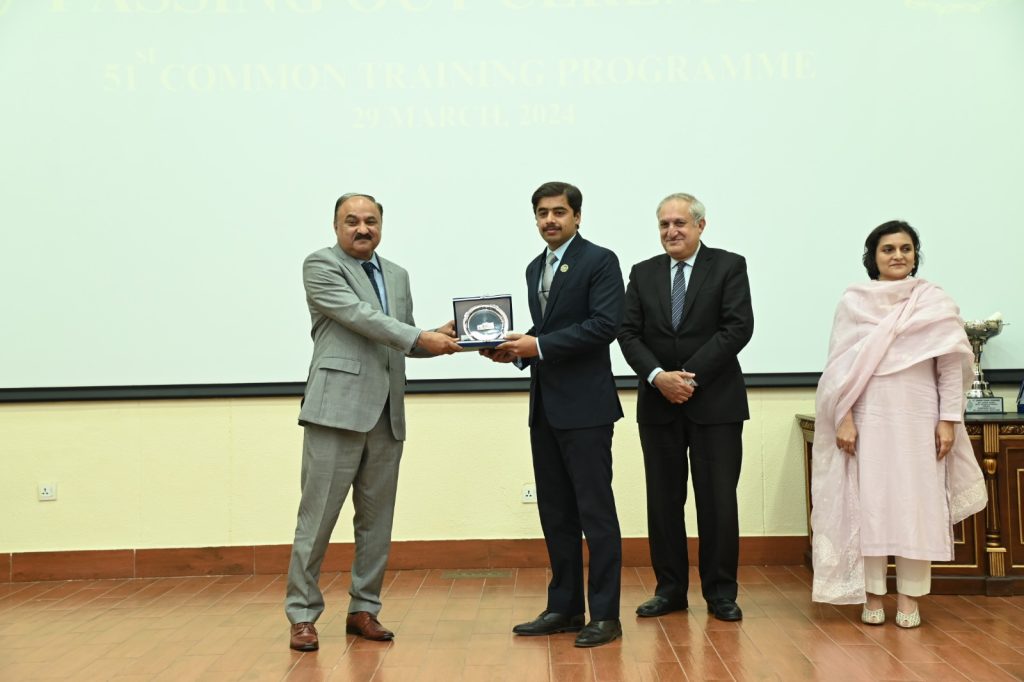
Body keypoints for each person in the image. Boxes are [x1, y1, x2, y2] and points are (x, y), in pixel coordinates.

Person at [285, 193, 461, 651]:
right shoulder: (321, 265)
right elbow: (361, 318)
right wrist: (419, 336)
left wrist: (443, 336)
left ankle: (364, 609)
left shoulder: (397, 274)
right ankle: (302, 614)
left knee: (377, 522)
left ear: (381, 225)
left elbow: (402, 340)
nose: (362, 229)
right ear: (336, 226)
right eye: (352, 221)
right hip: (335, 411)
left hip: (387, 414)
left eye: (371, 221)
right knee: (316, 519)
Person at [811, 220, 987, 627]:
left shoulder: (934, 301)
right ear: (873, 257)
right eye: (888, 249)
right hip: (868, 416)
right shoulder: (854, 302)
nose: (898, 256)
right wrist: (844, 418)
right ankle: (873, 594)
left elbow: (949, 367)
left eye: (906, 248)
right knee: (870, 504)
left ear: (915, 255)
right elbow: (840, 370)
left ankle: (909, 598)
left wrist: (948, 420)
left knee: (916, 505)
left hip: (919, 418)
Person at [481, 181, 625, 647]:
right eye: (542, 213)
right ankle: (564, 607)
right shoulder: (534, 267)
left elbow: (604, 326)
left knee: (595, 513)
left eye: (559, 212)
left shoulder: (600, 261)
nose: (550, 220)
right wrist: (513, 350)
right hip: (545, 406)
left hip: (587, 408)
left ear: (577, 216)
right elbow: (547, 329)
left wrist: (537, 346)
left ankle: (605, 615)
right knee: (556, 513)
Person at [617, 192, 753, 622]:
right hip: (658, 404)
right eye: (664, 224)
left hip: (715, 403)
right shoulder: (642, 273)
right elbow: (627, 333)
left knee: (717, 502)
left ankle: (720, 592)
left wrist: (687, 377)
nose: (671, 231)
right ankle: (670, 590)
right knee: (663, 502)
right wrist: (659, 377)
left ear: (700, 226)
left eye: (679, 223)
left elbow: (737, 328)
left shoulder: (729, 266)